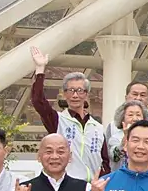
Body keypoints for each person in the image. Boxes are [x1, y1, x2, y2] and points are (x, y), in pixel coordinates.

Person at [28, 46, 110, 182]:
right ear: (65, 93)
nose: (75, 95)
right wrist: (40, 69)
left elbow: (105, 161)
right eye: (71, 90)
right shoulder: (58, 120)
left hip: (93, 188)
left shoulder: (97, 127)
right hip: (68, 186)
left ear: (86, 94)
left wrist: (102, 181)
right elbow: (38, 101)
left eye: (80, 90)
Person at [109, 100, 148, 170]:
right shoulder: (115, 138)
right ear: (122, 118)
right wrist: (126, 136)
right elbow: (115, 157)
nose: (135, 119)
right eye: (130, 115)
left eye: (138, 115)